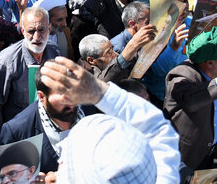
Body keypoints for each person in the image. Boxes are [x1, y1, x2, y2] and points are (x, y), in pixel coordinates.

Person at [38, 57, 180, 183]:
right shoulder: (163, 177)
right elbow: (158, 129)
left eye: (68, 158)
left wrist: (99, 92)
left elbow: (156, 128)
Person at [0, 7, 61, 143]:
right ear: (22, 31)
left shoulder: (54, 52)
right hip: (18, 137)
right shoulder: (6, 62)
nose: (37, 37)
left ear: (49, 29)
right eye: (31, 31)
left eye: (41, 30)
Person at [0, 64, 85, 174]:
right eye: (64, 97)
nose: (72, 103)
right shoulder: (17, 132)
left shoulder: (90, 111)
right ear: (41, 96)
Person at [164, 28, 217, 170]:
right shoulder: (181, 76)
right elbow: (192, 102)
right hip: (188, 157)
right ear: (210, 63)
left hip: (211, 150)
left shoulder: (212, 73)